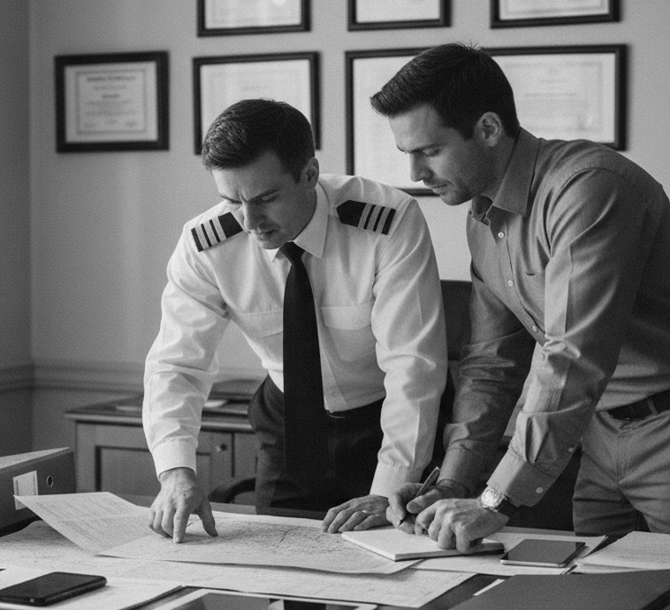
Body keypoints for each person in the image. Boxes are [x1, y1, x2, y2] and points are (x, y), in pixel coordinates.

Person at [371, 43, 670, 552]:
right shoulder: (483, 220)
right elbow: (491, 364)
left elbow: (573, 353)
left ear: (490, 129)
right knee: (595, 596)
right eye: (408, 154)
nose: (415, 175)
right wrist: (453, 481)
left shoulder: (588, 187)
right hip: (599, 432)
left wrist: (498, 500)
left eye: (428, 151)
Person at [144, 98, 447, 543]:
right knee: (283, 571)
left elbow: (413, 367)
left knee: (400, 570)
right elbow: (177, 364)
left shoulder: (386, 222)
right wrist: (175, 471)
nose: (250, 221)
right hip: (290, 428)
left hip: (390, 422)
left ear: (309, 174)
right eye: (231, 200)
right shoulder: (206, 245)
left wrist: (386, 491)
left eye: (266, 198)